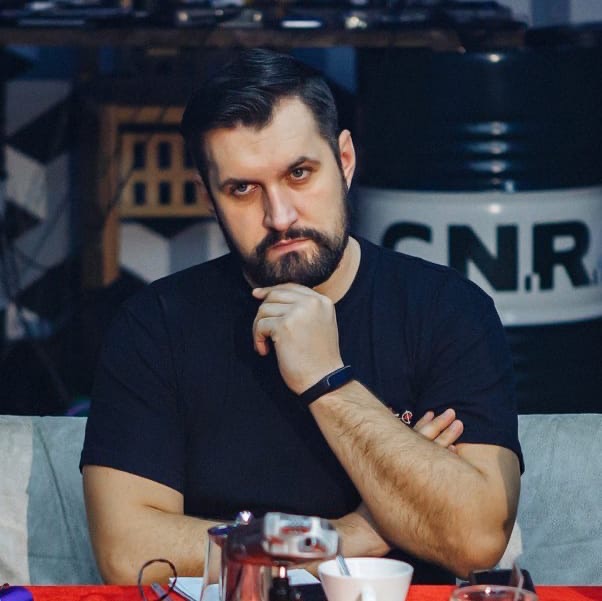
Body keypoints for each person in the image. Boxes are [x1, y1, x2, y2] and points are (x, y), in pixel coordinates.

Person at [81, 48, 522, 586]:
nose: (280, 216)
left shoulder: (446, 309)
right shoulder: (156, 325)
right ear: (209, 199)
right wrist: (340, 537)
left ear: (345, 161)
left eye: (299, 173)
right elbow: (128, 553)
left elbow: (476, 541)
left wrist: (326, 380)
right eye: (242, 189)